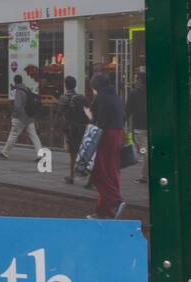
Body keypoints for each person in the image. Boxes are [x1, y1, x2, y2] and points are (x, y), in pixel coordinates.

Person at [89, 73, 127, 219]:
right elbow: (123, 117)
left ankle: (116, 201)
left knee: (99, 173)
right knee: (112, 172)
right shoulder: (116, 97)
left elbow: (99, 121)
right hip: (117, 134)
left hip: (105, 136)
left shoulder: (101, 98)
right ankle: (103, 211)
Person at [0, 74, 43, 160]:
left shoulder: (19, 92)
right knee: (34, 136)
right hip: (29, 117)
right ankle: (41, 154)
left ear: (15, 81)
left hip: (21, 118)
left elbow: (17, 106)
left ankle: (5, 153)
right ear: (22, 81)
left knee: (13, 134)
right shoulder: (26, 89)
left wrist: (14, 116)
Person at [57, 76, 91, 185]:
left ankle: (72, 176)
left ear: (65, 85)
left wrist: (56, 127)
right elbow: (89, 114)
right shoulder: (82, 97)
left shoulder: (64, 97)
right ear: (75, 85)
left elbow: (59, 113)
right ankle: (88, 176)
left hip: (71, 128)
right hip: (83, 127)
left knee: (73, 152)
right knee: (84, 151)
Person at [126, 70, 149, 184]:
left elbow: (127, 111)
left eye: (135, 78)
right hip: (149, 127)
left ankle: (144, 176)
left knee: (145, 152)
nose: (134, 81)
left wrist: (122, 123)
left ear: (139, 81)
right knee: (145, 151)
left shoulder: (133, 93)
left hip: (139, 129)